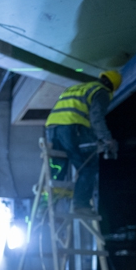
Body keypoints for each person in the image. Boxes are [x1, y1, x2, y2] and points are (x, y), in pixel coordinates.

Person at [45, 70, 122, 213]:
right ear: (112, 87)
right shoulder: (101, 92)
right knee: (88, 167)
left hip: (52, 128)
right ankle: (81, 205)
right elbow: (96, 117)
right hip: (71, 127)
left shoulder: (78, 88)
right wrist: (107, 139)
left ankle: (44, 207)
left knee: (57, 170)